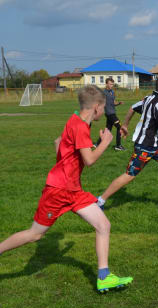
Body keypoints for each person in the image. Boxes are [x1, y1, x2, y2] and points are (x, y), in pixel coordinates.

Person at [0, 85, 133, 292]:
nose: (105, 111)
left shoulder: (75, 120)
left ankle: (104, 276)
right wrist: (105, 142)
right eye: (104, 107)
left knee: (103, 225)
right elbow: (88, 160)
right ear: (97, 107)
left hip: (72, 190)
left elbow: (58, 142)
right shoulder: (80, 127)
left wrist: (65, 166)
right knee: (35, 234)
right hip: (59, 191)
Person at [96, 76, 158, 213]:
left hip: (155, 145)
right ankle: (100, 201)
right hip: (145, 146)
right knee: (129, 175)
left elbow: (132, 108)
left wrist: (126, 125)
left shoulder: (148, 98)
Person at [95, 78, 125, 151]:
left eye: (112, 84)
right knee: (119, 127)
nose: (111, 85)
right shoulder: (103, 93)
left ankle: (97, 144)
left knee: (108, 130)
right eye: (110, 84)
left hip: (113, 112)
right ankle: (118, 145)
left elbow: (113, 103)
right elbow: (98, 102)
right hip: (109, 113)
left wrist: (118, 103)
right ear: (106, 84)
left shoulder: (112, 92)